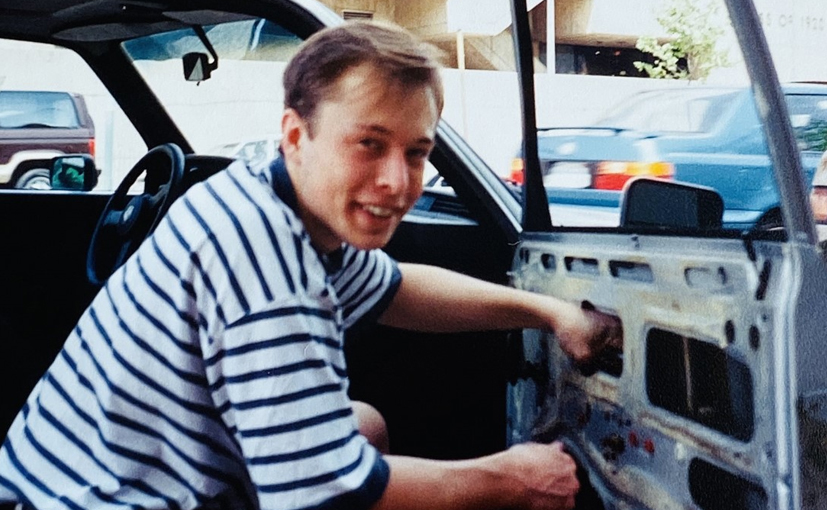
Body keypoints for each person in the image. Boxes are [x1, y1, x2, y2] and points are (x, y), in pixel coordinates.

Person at [0, 20, 621, 510]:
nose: (397, 182)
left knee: (365, 426)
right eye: (369, 144)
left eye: (416, 152)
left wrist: (550, 311)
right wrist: (510, 480)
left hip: (73, 479)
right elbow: (323, 493)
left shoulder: (269, 195)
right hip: (93, 499)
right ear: (296, 136)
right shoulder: (261, 258)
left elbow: (397, 290)